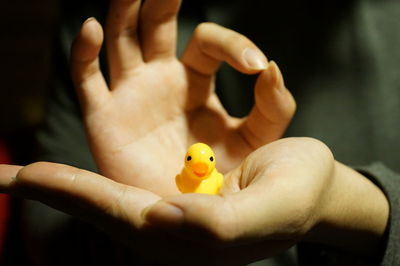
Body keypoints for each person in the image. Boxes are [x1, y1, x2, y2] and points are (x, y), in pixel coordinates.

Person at [1, 0, 400, 265]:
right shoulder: (105, 17)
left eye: (203, 160)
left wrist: (352, 205)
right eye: (199, 159)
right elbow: (47, 236)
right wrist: (144, 231)